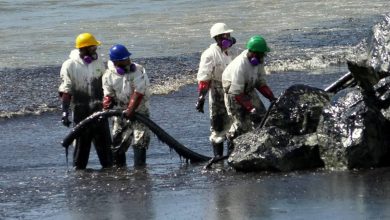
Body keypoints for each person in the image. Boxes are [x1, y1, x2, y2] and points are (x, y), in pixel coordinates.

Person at [58, 32, 113, 169]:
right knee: (81, 153)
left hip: (100, 113)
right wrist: (65, 112)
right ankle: (79, 176)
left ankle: (109, 174)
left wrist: (110, 103)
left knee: (106, 153)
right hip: (81, 113)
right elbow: (66, 90)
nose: (96, 50)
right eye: (93, 47)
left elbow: (106, 86)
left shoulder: (99, 63)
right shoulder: (69, 65)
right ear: (84, 48)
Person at [222, 35, 277, 154]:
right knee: (241, 125)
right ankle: (232, 153)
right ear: (253, 53)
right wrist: (251, 109)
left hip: (249, 89)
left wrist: (271, 97)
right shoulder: (240, 66)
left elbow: (260, 83)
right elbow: (237, 93)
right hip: (234, 93)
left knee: (262, 117)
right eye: (262, 54)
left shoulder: (259, 61)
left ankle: (259, 149)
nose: (264, 56)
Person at [102, 44, 151, 167]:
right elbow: (108, 94)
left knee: (140, 141)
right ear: (116, 62)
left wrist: (131, 110)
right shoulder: (108, 75)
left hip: (140, 110)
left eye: (128, 58)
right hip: (119, 113)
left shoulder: (138, 71)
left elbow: (139, 92)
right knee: (118, 143)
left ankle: (140, 170)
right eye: (125, 59)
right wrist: (107, 103)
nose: (129, 61)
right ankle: (119, 170)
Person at [196, 23, 239, 158]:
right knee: (218, 126)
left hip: (232, 90)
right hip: (217, 91)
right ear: (217, 38)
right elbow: (204, 79)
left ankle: (233, 157)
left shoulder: (231, 51)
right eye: (225, 36)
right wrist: (201, 98)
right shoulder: (209, 54)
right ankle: (218, 158)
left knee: (235, 124)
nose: (228, 38)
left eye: (229, 35)